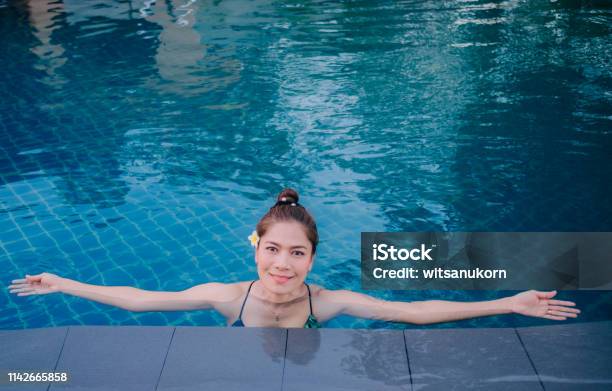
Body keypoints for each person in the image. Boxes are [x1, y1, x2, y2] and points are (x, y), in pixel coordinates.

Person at [8, 188, 580, 328]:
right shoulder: (227, 296)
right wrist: (64, 282)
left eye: (297, 254)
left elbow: (414, 311)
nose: (283, 265)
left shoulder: (326, 304)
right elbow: (138, 302)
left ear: (311, 259)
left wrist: (509, 301)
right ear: (256, 250)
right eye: (274, 250)